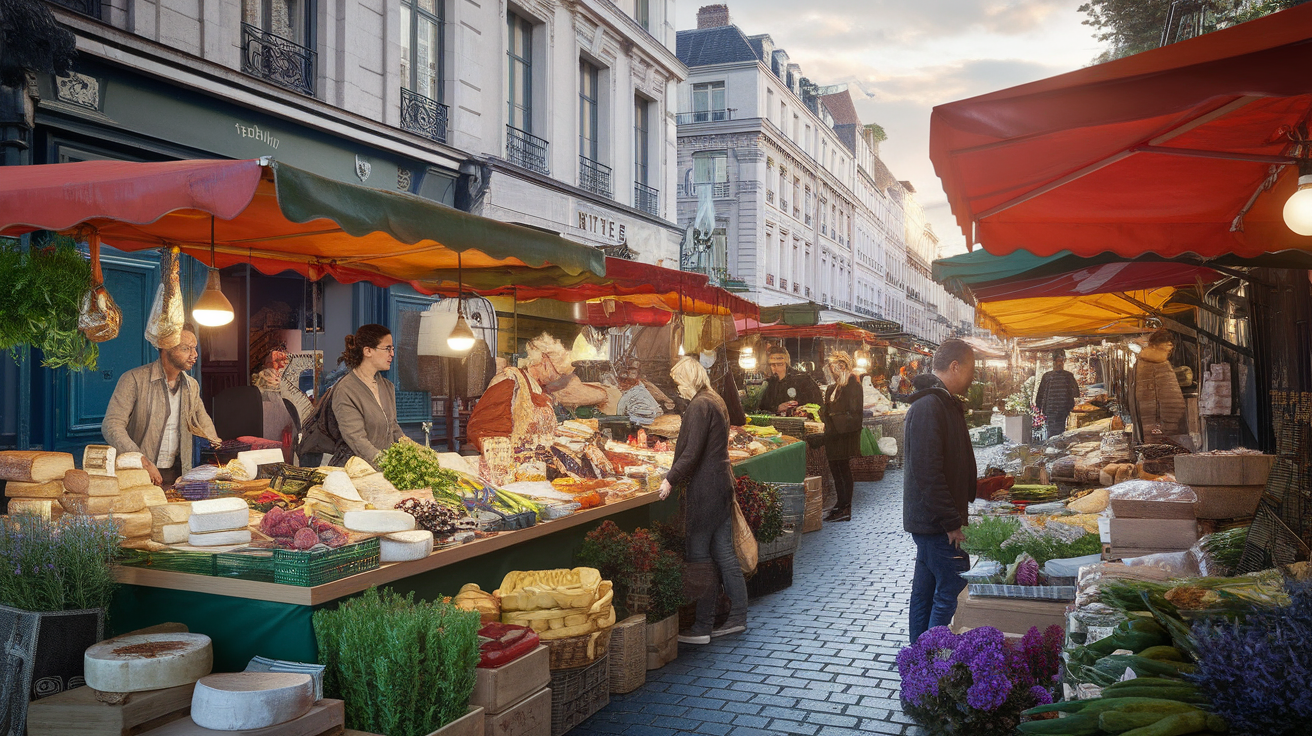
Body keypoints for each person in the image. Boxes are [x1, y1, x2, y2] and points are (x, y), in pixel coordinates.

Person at [658, 356, 747, 644]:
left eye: (678, 383)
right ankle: (736, 618)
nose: (678, 389)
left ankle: (702, 626)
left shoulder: (698, 405)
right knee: (724, 554)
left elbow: (691, 452)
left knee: (700, 557)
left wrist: (669, 478)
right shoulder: (715, 399)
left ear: (689, 380)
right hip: (720, 484)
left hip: (705, 490)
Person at [903, 339, 977, 643]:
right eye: (970, 369)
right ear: (955, 366)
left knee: (926, 591)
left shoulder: (941, 402)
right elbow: (928, 472)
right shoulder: (929, 405)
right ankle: (932, 662)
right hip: (935, 523)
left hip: (933, 521)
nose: (973, 377)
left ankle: (919, 658)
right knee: (951, 588)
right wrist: (951, 521)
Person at [102, 324, 221, 486]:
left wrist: (217, 454)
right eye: (186, 349)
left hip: (178, 474)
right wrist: (141, 460)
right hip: (137, 474)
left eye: (194, 348)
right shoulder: (134, 379)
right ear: (166, 348)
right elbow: (111, 425)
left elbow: (204, 423)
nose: (195, 355)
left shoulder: (191, 385)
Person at [331, 324, 407, 467]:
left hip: (383, 472)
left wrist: (415, 451)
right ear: (368, 351)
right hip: (355, 472)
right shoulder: (345, 390)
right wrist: (389, 466)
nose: (392, 354)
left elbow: (393, 428)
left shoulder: (387, 386)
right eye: (387, 348)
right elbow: (357, 440)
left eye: (393, 349)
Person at [819, 351, 864, 522]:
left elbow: (855, 413)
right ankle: (840, 504)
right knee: (835, 471)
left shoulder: (852, 385)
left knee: (843, 469)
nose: (831, 369)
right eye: (830, 366)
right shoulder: (832, 387)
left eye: (834, 365)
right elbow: (827, 408)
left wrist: (832, 418)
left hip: (843, 436)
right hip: (831, 435)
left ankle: (846, 507)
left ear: (843, 365)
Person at [1132, 329, 1191, 447]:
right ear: (1156, 345)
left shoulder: (1141, 362)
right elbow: (1168, 395)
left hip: (1148, 418)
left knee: (1153, 450)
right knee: (1163, 451)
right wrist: (1177, 417)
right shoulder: (1161, 363)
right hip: (1163, 419)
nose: (1171, 348)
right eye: (1168, 344)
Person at [757, 345, 822, 416]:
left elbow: (818, 405)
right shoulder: (770, 383)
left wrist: (799, 409)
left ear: (787, 362)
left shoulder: (803, 379)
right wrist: (777, 408)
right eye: (773, 365)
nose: (776, 368)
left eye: (780, 364)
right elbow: (762, 408)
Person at [1035, 351, 1080, 438]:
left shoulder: (1067, 376)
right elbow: (1040, 395)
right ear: (1054, 362)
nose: (1059, 363)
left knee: (1058, 434)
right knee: (1054, 434)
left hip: (1061, 412)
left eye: (1061, 361)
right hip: (1054, 411)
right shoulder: (1048, 376)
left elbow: (1076, 393)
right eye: (1058, 361)